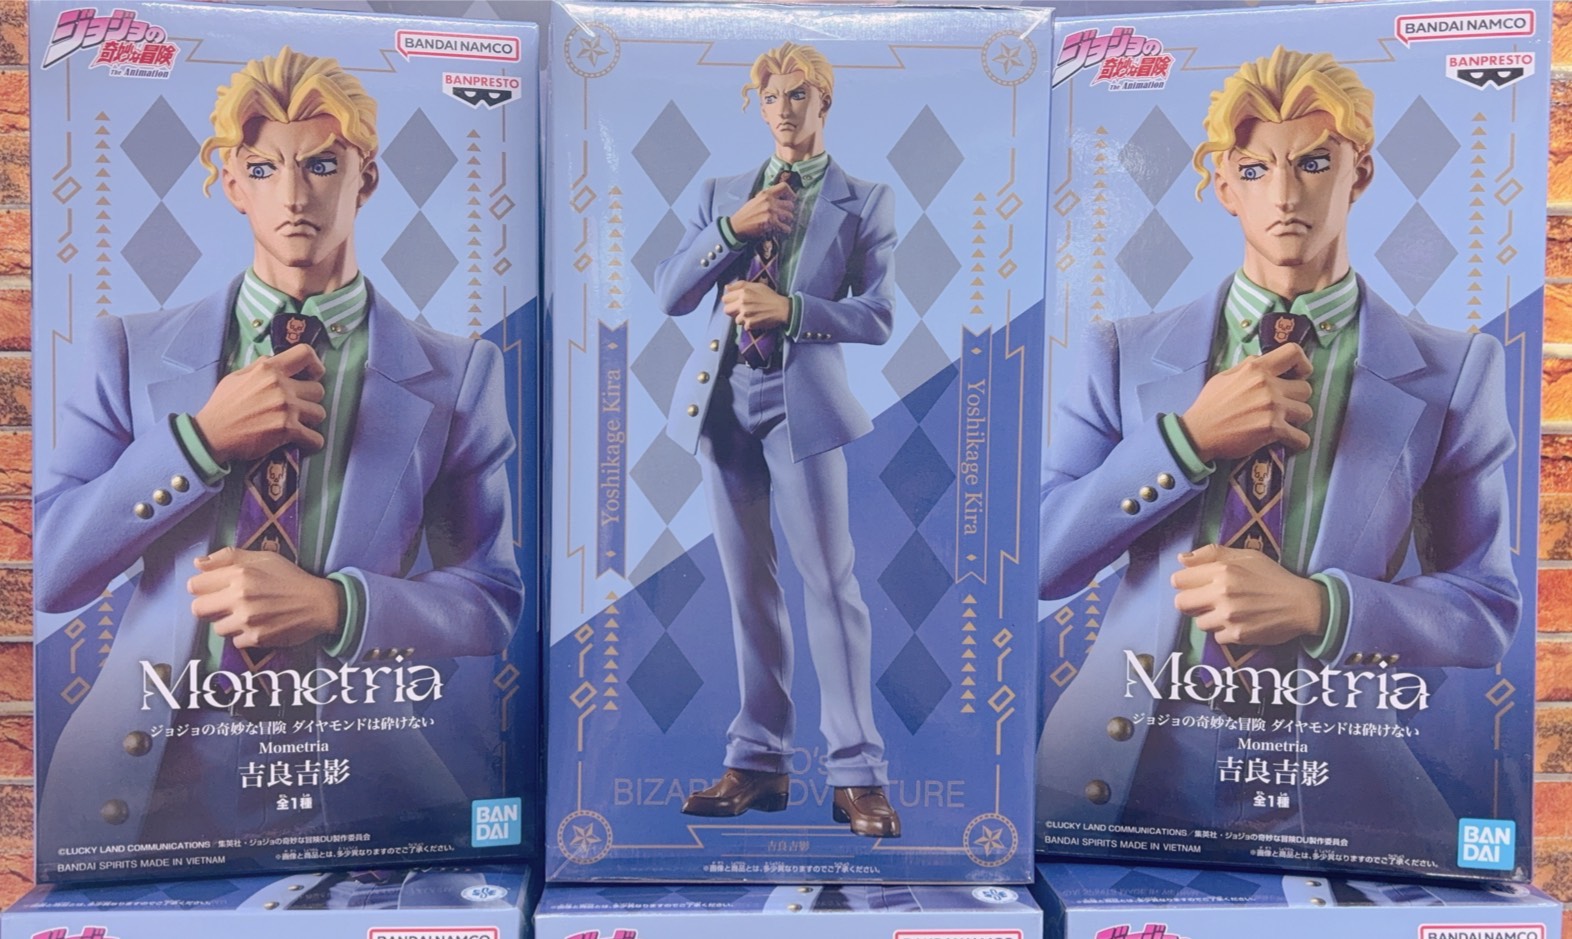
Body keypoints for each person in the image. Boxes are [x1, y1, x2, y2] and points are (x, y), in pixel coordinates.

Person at [34, 47, 523, 849]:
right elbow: (51, 571)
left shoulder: (458, 375)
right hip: (139, 787)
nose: (294, 196)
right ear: (232, 184)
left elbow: (491, 598)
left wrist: (337, 605)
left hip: (357, 790)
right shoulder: (129, 351)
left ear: (366, 178)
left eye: (322, 165)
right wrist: (198, 443)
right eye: (263, 169)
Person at [1036, 47, 1519, 839]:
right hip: (1115, 772)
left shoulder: (1454, 372)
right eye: (1255, 169)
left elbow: (1486, 608)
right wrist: (1185, 442)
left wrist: (1318, 604)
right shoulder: (1122, 353)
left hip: (1332, 787)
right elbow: (1039, 562)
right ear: (1224, 186)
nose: (1286, 196)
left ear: (1360, 173)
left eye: (1314, 163)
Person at [652, 41, 901, 837]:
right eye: (770, 97)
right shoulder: (722, 193)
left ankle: (857, 772)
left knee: (829, 582)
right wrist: (735, 226)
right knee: (747, 587)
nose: (784, 110)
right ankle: (758, 761)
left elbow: (879, 315)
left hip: (804, 403)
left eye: (798, 95)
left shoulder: (865, 200)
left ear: (825, 102)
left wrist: (790, 310)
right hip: (723, 401)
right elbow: (670, 294)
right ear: (757, 107)